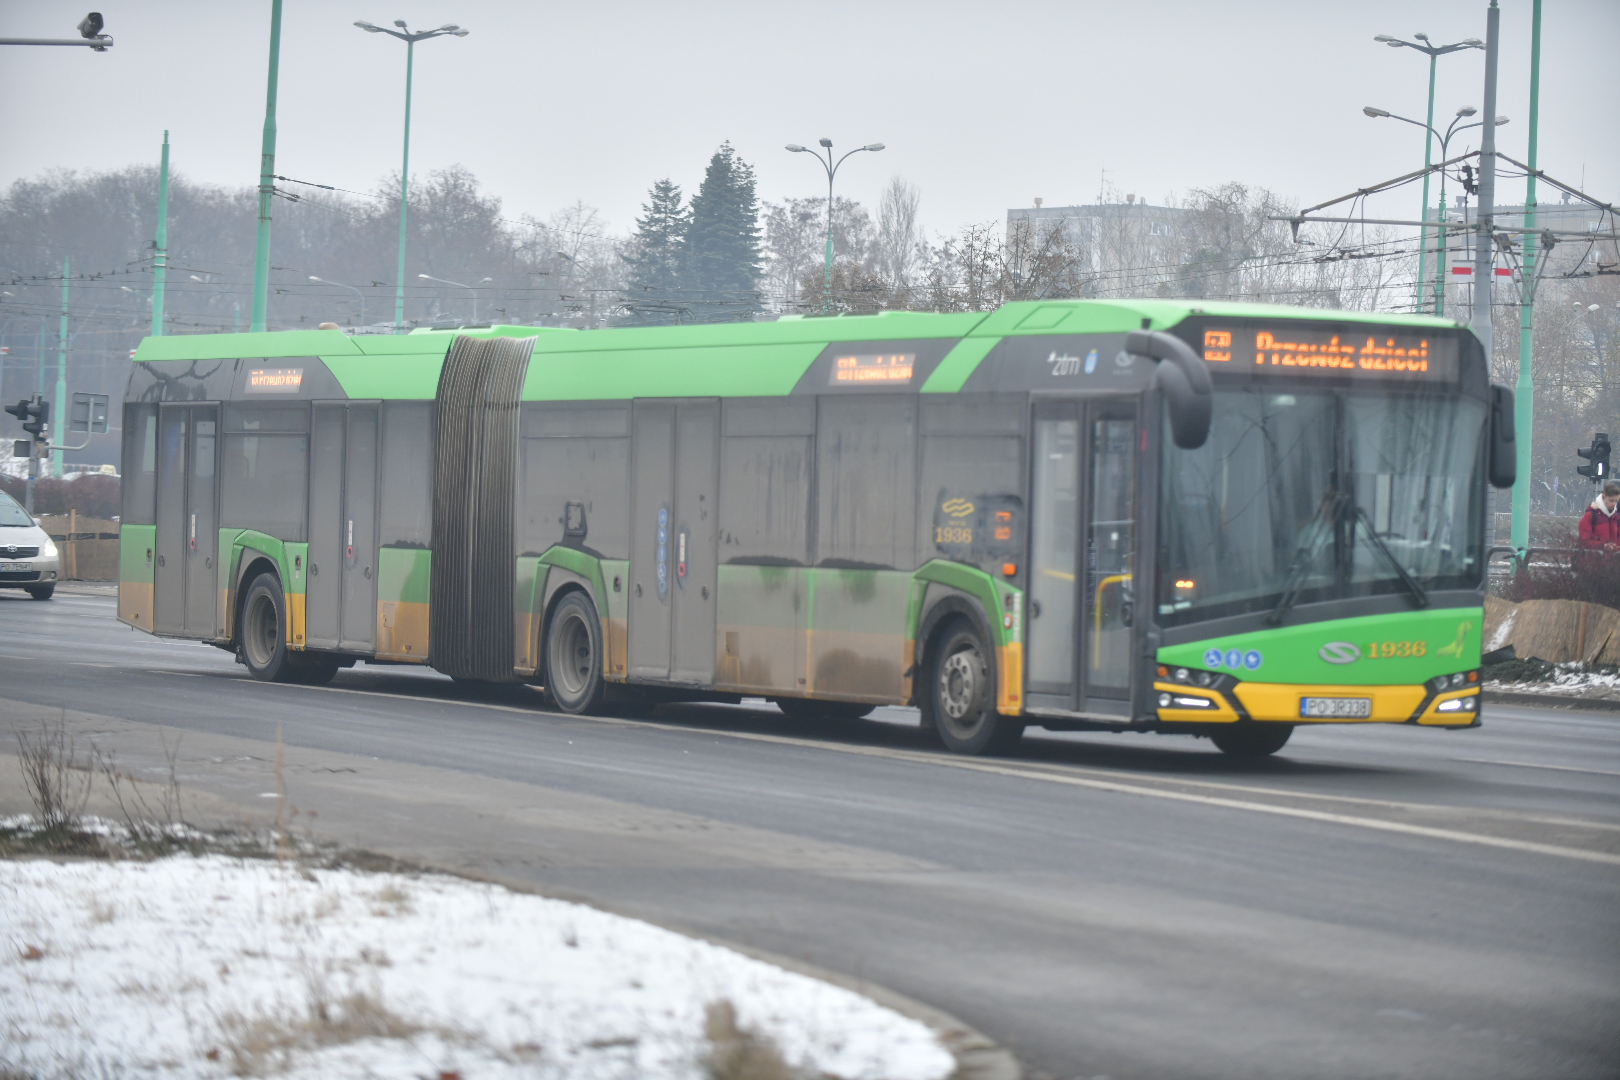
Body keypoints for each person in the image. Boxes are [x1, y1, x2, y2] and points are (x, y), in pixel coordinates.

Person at [1578, 481, 1620, 550]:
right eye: (1611, 500)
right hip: (1594, 558)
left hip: (1612, 559)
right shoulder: (1590, 516)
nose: (1614, 504)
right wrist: (1602, 546)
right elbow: (1584, 541)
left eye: (1616, 501)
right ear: (1604, 496)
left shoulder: (1616, 518)